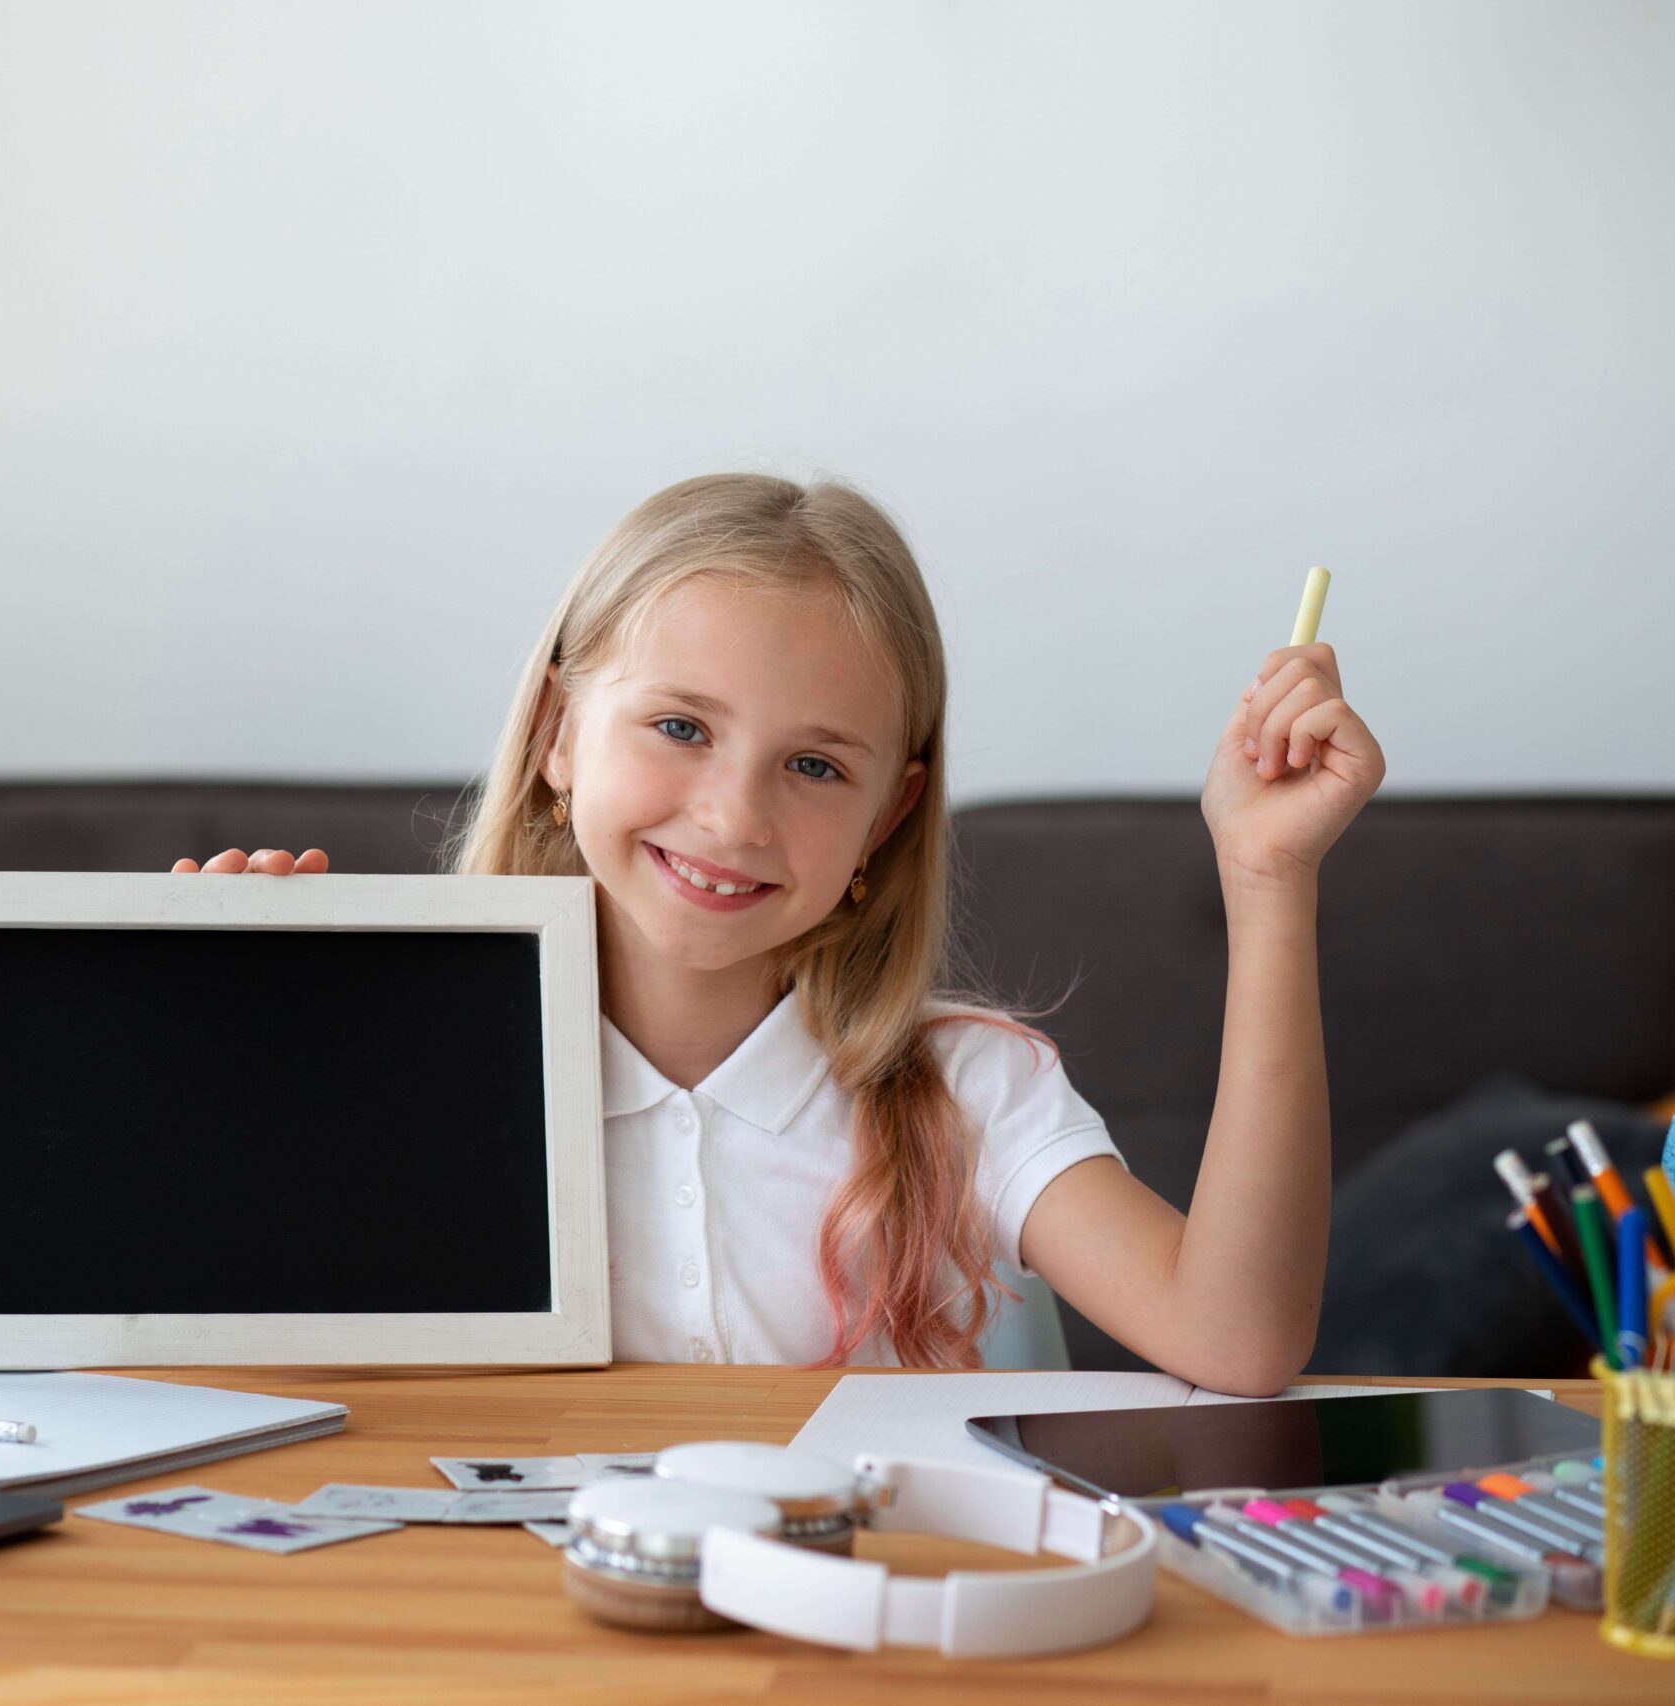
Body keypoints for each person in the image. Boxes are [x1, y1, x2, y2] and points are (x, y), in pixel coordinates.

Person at [174, 474, 1383, 1391]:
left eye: (812, 763)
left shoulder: (969, 1091)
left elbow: (1236, 1338)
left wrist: (1266, 876)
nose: (733, 815)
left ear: (886, 816)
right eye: (681, 727)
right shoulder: (400, 1067)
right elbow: (211, 1385)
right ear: (555, 734)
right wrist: (228, 1056)